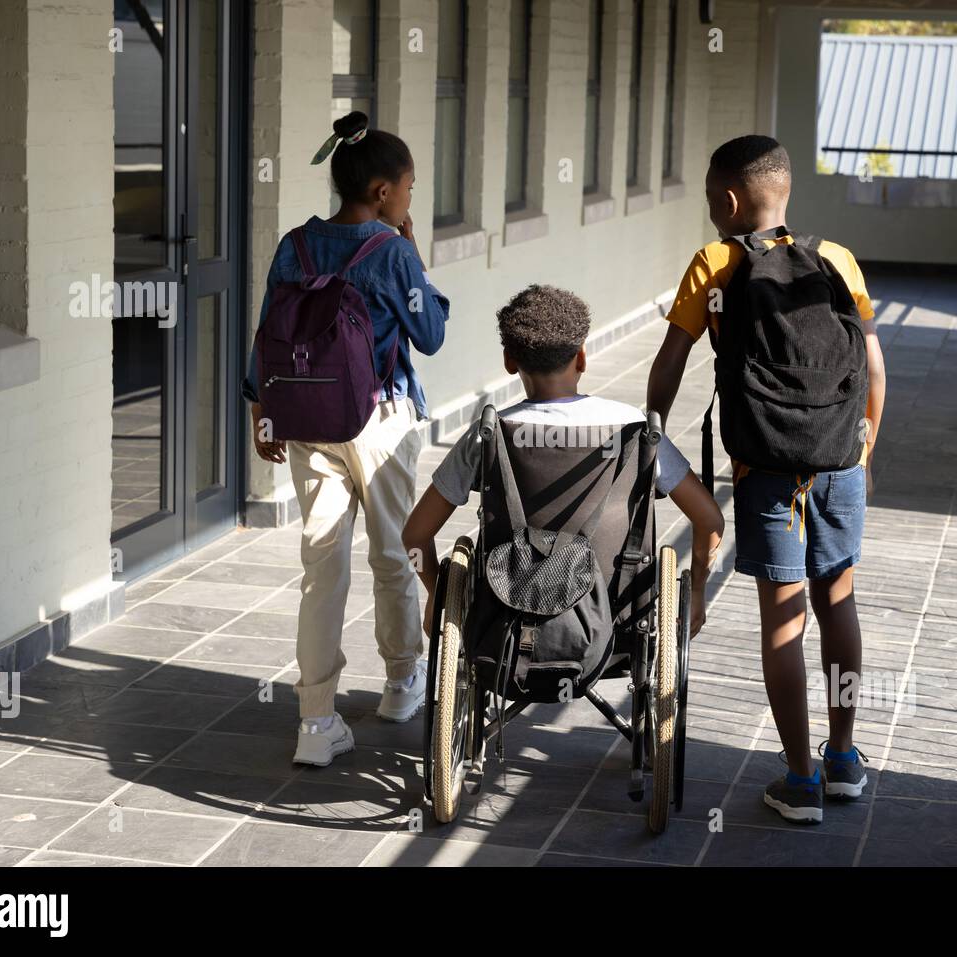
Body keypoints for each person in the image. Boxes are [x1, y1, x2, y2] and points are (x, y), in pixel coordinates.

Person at [646, 135, 887, 824]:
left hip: (763, 468)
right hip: (839, 459)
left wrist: (653, 431)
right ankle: (843, 758)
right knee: (836, 602)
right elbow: (873, 369)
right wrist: (863, 451)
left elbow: (670, 361)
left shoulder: (715, 263)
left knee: (782, 621)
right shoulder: (835, 257)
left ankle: (800, 778)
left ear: (727, 201)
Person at [243, 111, 449, 766]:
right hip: (380, 423)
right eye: (409, 187)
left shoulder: (295, 245)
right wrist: (412, 250)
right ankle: (398, 682)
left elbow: (268, 332)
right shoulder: (390, 251)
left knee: (320, 563)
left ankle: (315, 720)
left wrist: (261, 409)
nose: (411, 199)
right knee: (393, 551)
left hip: (308, 420)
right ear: (384, 192)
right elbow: (432, 334)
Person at [402, 284, 723, 647]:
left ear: (510, 362)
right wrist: (696, 589)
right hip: (614, 625)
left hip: (506, 621)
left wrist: (440, 595)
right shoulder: (635, 430)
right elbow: (709, 519)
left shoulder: (489, 434)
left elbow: (415, 536)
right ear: (582, 358)